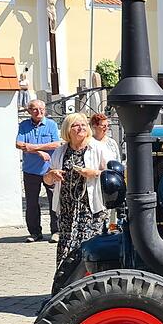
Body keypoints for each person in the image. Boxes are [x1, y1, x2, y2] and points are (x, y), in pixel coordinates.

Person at [43, 113, 116, 265]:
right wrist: (52, 174)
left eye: (83, 125)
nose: (81, 128)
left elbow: (113, 173)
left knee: (89, 247)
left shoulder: (97, 148)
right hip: (67, 208)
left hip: (91, 208)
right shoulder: (60, 151)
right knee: (66, 247)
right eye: (76, 125)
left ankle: (89, 284)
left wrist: (94, 173)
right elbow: (47, 179)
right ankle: (65, 284)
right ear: (68, 130)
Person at [16, 100, 61, 243]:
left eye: (41, 109)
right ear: (29, 111)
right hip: (30, 171)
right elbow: (19, 144)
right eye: (35, 109)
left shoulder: (51, 125)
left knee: (54, 200)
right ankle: (35, 233)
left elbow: (56, 143)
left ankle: (56, 231)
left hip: (50, 169)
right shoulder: (24, 125)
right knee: (32, 203)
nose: (38, 111)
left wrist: (33, 148)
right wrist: (40, 152)